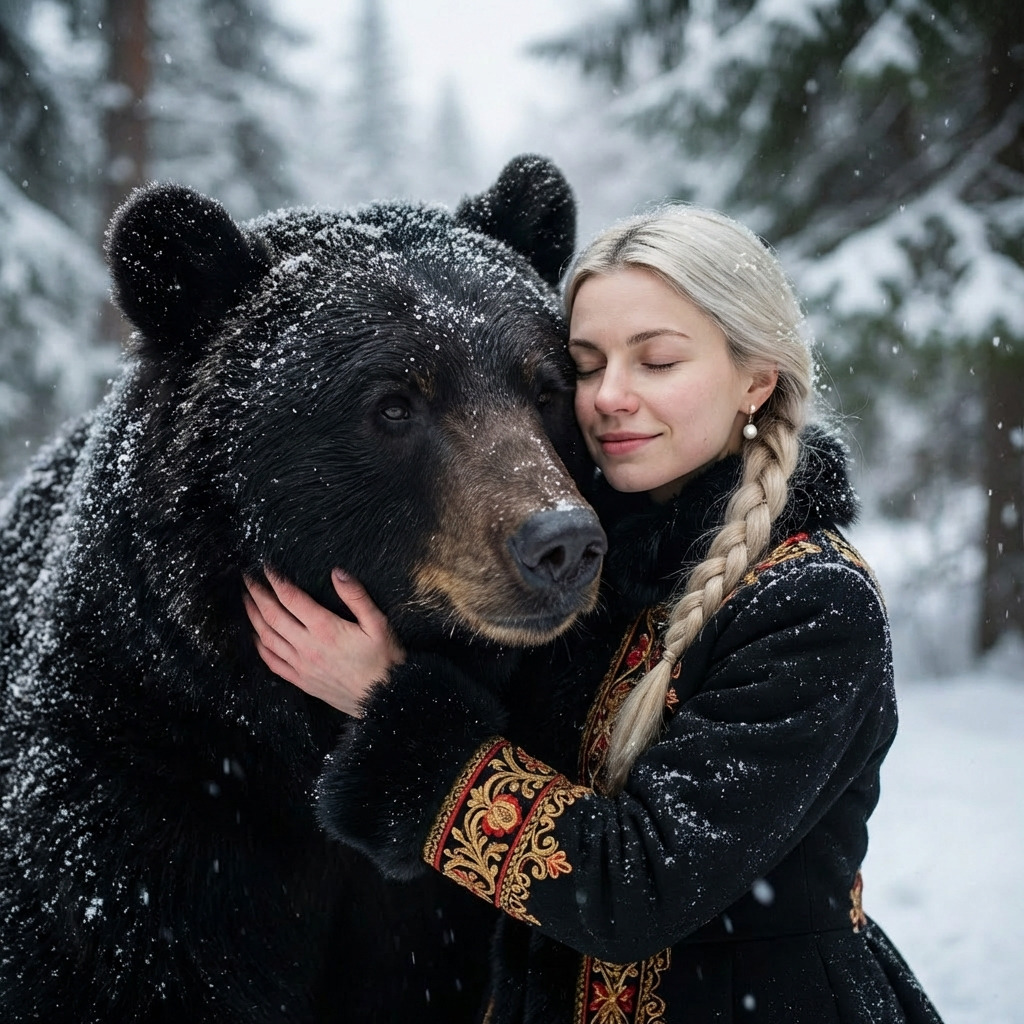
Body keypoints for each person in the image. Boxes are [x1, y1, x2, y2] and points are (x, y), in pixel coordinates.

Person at [243, 205, 944, 1023]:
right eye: (584, 365)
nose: (610, 396)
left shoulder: (813, 604)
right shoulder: (584, 567)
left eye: (656, 361)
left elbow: (633, 891)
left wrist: (389, 706)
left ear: (757, 378)